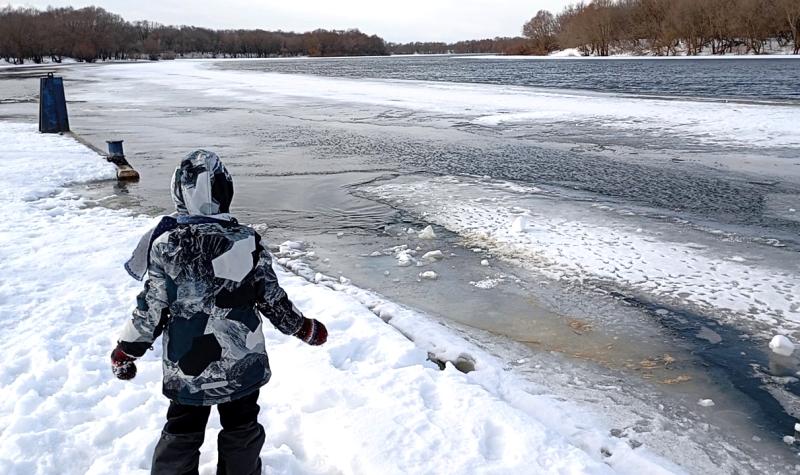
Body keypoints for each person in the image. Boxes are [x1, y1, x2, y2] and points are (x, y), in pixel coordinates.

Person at [110, 150, 327, 475]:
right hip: (243, 359)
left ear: (178, 194)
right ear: (226, 192)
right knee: (242, 428)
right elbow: (272, 299)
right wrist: (302, 327)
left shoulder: (166, 244)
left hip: (189, 366)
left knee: (182, 430)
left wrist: (126, 350)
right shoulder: (247, 241)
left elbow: (151, 309)